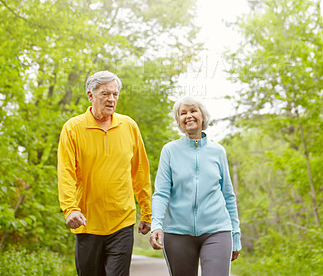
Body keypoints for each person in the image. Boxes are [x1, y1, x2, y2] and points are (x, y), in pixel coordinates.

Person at [57, 70, 152, 276]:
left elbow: (141, 172)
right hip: (87, 221)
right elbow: (66, 173)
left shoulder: (129, 126)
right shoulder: (73, 128)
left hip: (122, 221)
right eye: (105, 94)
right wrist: (70, 209)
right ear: (91, 95)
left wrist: (147, 210)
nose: (111, 99)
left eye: (115, 94)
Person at [149, 96, 241, 276]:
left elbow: (228, 195)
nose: (188, 116)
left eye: (193, 111)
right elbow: (161, 193)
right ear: (179, 121)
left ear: (203, 116)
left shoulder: (218, 151)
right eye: (183, 113)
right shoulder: (169, 151)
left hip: (217, 230)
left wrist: (235, 235)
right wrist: (156, 225)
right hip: (177, 233)